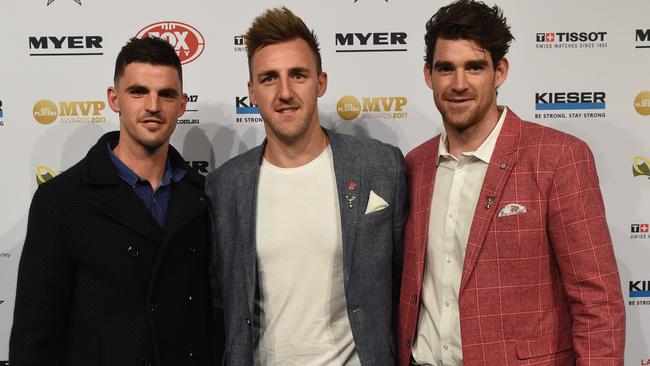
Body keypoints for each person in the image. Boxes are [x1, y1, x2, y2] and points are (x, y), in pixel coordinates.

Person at [397, 1, 625, 365]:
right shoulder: (415, 165)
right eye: (446, 69)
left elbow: (597, 301)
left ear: (499, 71)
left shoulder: (558, 157)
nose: (459, 84)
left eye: (474, 67)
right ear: (428, 75)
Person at [206, 6, 408, 366]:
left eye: (298, 75)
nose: (285, 92)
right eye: (269, 78)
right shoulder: (225, 186)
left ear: (321, 81)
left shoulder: (381, 167)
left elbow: (401, 285)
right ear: (251, 91)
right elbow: (222, 301)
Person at [10, 37, 220, 365]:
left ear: (182, 104)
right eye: (138, 92)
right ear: (114, 98)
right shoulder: (62, 200)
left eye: (166, 94)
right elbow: (34, 337)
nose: (153, 105)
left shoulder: (203, 196)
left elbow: (213, 317)